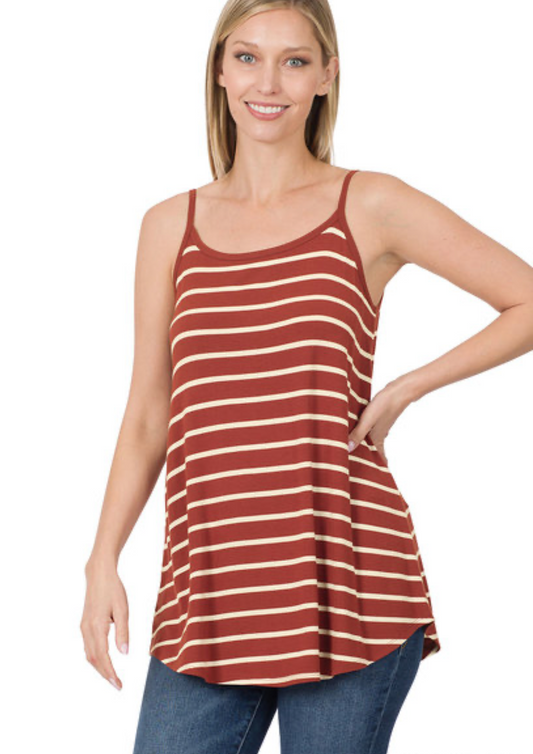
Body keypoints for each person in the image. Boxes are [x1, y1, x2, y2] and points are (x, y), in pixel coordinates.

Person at [80, 1, 533, 753]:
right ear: (220, 70)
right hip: (210, 595)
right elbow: (149, 414)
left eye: (294, 61)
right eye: (247, 56)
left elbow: (525, 299)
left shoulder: (371, 204)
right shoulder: (168, 225)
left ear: (326, 75)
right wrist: (102, 561)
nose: (268, 82)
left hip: (346, 590)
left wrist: (406, 386)